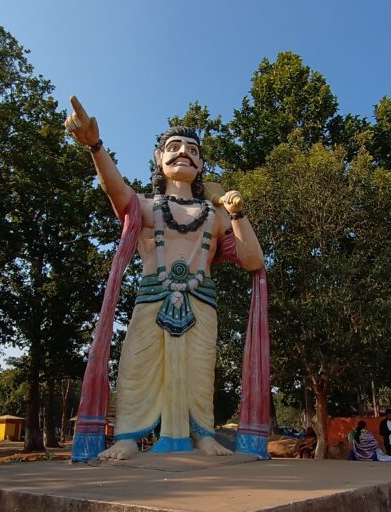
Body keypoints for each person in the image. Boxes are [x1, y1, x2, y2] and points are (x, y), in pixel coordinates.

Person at [65, 97, 268, 461]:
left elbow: (253, 260)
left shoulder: (216, 214)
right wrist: (95, 146)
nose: (183, 153)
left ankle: (202, 434)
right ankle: (127, 437)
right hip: (152, 296)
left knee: (200, 373)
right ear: (159, 159)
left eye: (192, 149)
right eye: (173, 148)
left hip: (201, 300)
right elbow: (114, 189)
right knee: (136, 368)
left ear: (202, 164)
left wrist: (237, 212)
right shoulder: (145, 207)